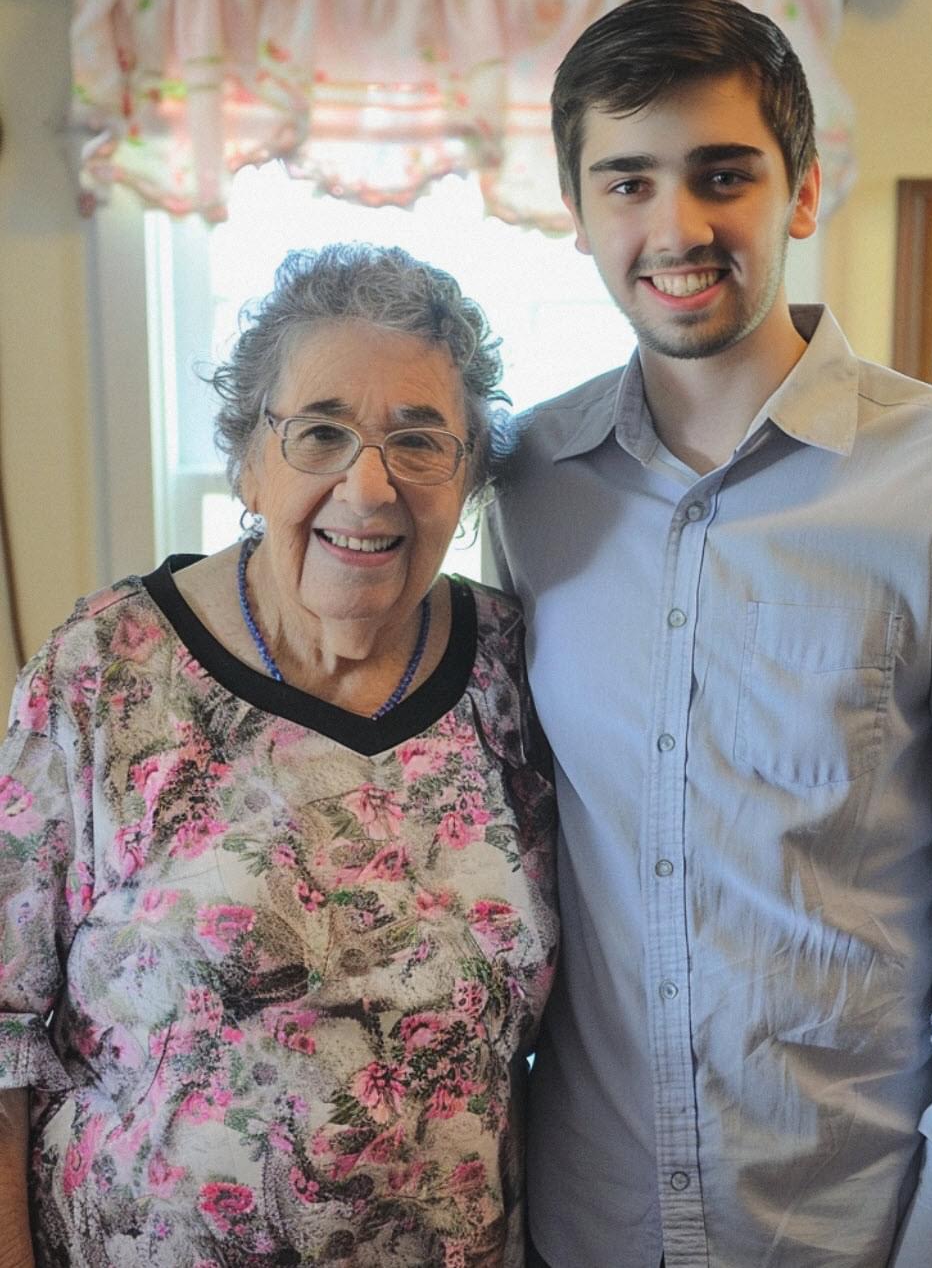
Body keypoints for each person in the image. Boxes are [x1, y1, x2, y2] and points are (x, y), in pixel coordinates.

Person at [487, 0, 932, 1268]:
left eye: (723, 175)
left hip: (844, 1221)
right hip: (589, 1218)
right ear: (576, 212)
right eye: (627, 181)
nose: (675, 226)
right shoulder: (524, 483)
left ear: (802, 193)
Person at [0, 243, 558, 1267]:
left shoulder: (516, 671)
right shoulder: (105, 668)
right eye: (321, 433)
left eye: (421, 440)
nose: (370, 485)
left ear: (470, 471)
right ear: (249, 460)